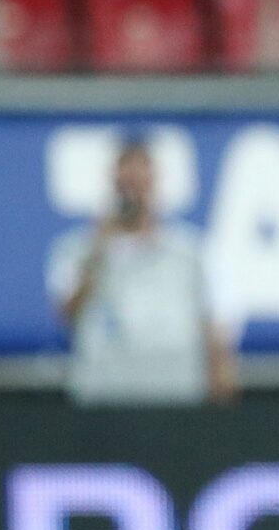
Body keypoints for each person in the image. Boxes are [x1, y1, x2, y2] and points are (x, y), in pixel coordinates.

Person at [50, 136, 239, 407]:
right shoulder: (77, 250)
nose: (134, 191)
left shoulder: (190, 252)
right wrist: (98, 250)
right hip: (106, 396)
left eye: (140, 180)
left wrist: (220, 376)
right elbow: (67, 315)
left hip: (175, 395)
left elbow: (213, 321)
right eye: (127, 181)